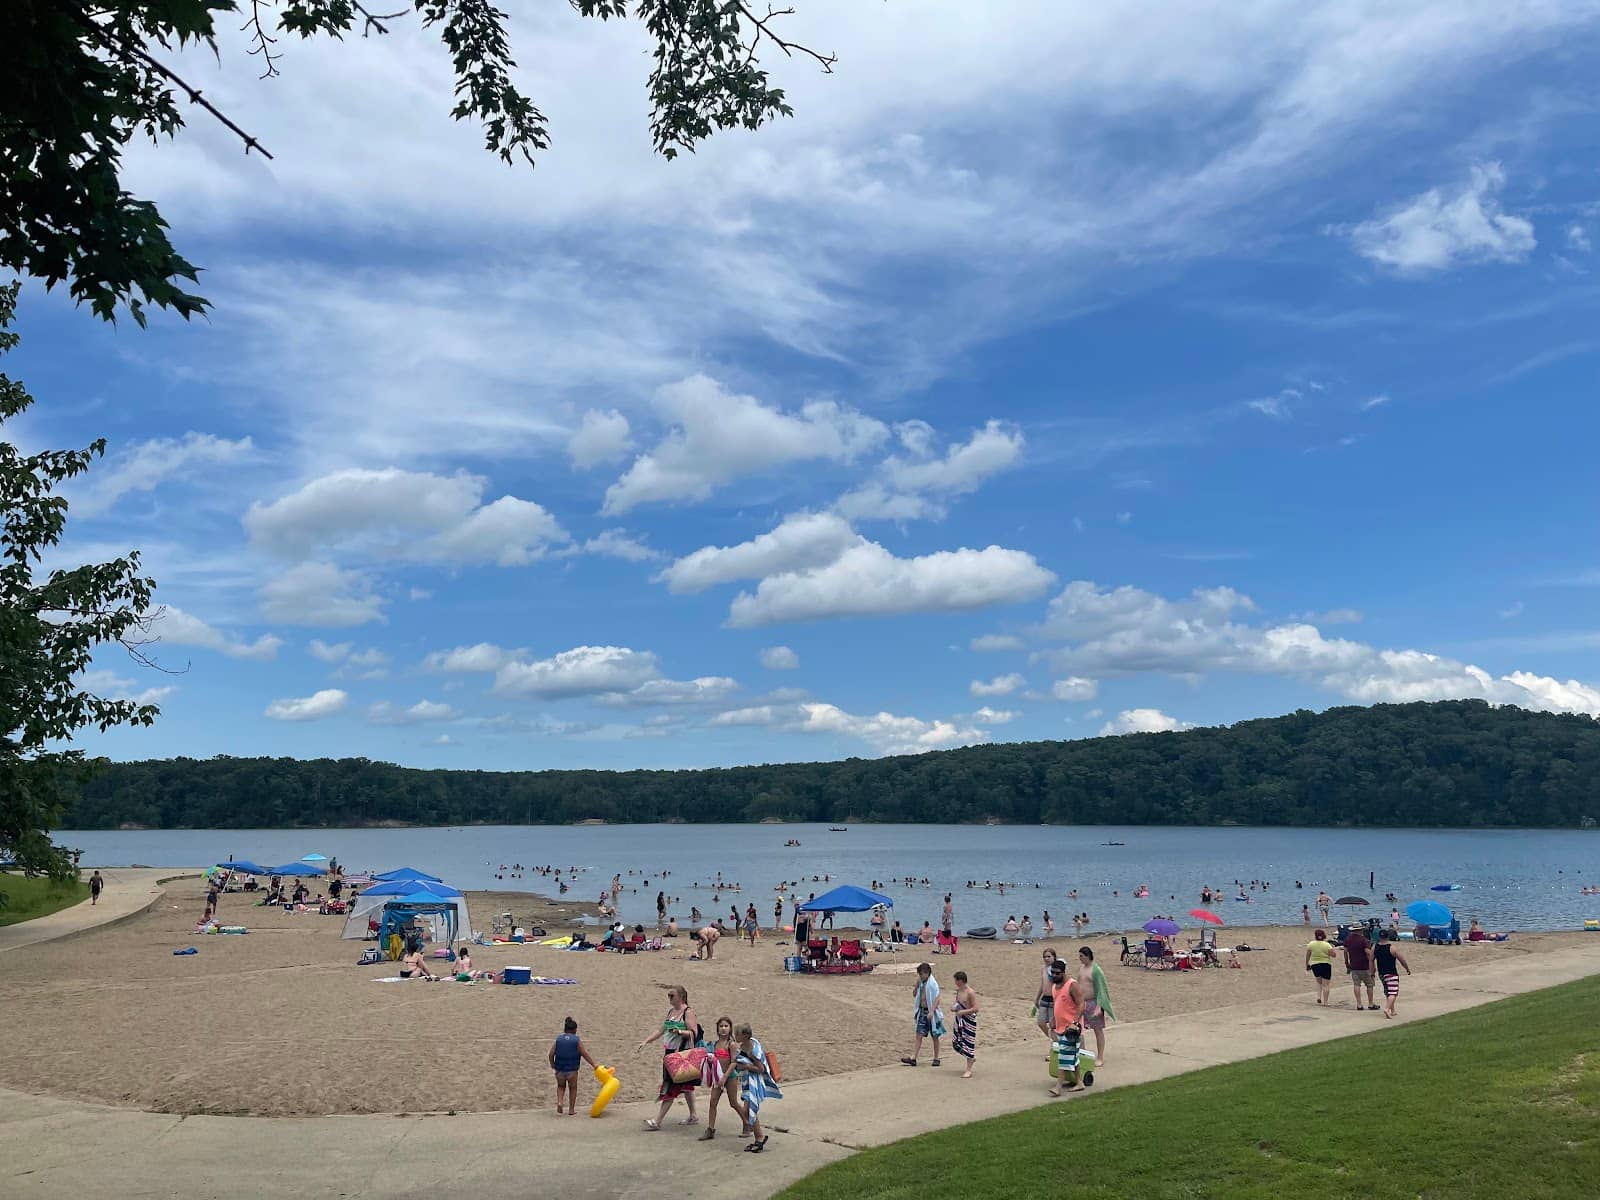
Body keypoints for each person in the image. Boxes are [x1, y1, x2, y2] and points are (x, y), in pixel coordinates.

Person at [637, 984, 700, 1129]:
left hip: (680, 1054)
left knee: (670, 1086)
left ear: (681, 997)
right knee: (686, 1085)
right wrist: (646, 1041)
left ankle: (657, 1121)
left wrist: (680, 1032)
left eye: (672, 995)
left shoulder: (688, 1012)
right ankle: (693, 1115)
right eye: (668, 995)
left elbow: (693, 1033)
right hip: (669, 1053)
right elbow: (661, 1030)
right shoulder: (671, 1011)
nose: (669, 998)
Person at [697, 1017, 749, 1141]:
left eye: (726, 1026)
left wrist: (725, 1077)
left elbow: (734, 1062)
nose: (723, 1029)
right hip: (718, 1077)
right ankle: (710, 1129)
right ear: (717, 1029)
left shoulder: (731, 1044)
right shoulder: (715, 1044)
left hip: (730, 1077)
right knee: (713, 1102)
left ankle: (747, 1123)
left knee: (733, 1103)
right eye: (721, 1026)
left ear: (730, 1029)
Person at [733, 1023, 780, 1153]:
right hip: (747, 1082)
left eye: (738, 1034)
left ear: (745, 1035)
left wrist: (746, 1066)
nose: (735, 1036)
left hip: (754, 1082)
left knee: (748, 1110)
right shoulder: (743, 1046)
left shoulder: (753, 1050)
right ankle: (758, 1137)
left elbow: (761, 1069)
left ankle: (759, 1137)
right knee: (748, 1110)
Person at [1049, 958, 1085, 1096]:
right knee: (1072, 1056)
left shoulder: (1072, 985)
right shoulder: (1054, 986)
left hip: (1071, 1029)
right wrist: (1053, 1019)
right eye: (1052, 972)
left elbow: (1081, 1003)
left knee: (1063, 1056)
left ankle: (1058, 1087)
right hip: (1060, 1026)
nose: (1054, 975)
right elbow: (1057, 1004)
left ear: (1063, 973)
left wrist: (1075, 1022)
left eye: (1057, 973)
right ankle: (1079, 1082)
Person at [549, 1016, 598, 1115]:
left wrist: (553, 1064)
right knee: (573, 1088)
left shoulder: (559, 1039)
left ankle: (560, 1102)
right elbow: (584, 1054)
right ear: (575, 1030)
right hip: (572, 1070)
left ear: (564, 1029)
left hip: (560, 1069)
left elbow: (551, 1054)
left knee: (560, 1086)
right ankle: (571, 1110)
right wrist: (594, 1064)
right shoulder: (576, 1040)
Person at [900, 962, 944, 1067]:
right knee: (918, 1035)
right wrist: (916, 986)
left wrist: (932, 1011)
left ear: (927, 973)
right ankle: (913, 1058)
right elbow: (914, 994)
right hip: (922, 1011)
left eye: (921, 974)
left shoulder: (932, 984)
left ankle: (936, 1058)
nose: (920, 976)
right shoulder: (920, 982)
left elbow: (937, 998)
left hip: (931, 1013)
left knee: (935, 1035)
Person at [1077, 945, 1114, 1067]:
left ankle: (1100, 1057)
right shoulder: (1081, 968)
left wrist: (1099, 1006)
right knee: (1079, 1029)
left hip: (1093, 1002)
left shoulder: (1096, 970)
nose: (1080, 958)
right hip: (1082, 1002)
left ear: (1088, 956)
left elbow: (1101, 989)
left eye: (1081, 956)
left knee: (1098, 1030)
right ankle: (1082, 1053)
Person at [1373, 930, 1412, 1018]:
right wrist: (1407, 968)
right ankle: (1387, 1009)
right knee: (1393, 992)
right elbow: (1402, 960)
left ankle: (1392, 1010)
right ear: (1388, 937)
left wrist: (1372, 971)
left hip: (1381, 973)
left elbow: (1371, 960)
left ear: (1379, 937)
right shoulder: (1392, 948)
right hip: (1391, 972)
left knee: (1388, 991)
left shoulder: (1375, 947)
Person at [951, 970, 979, 1078]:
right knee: (956, 1042)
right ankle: (970, 1058)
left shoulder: (970, 992)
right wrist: (954, 1007)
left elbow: (976, 1008)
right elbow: (958, 1002)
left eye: (956, 981)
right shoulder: (959, 991)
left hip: (969, 1020)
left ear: (961, 981)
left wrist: (963, 1012)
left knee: (968, 1044)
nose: (955, 983)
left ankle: (969, 1069)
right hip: (959, 1020)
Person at [1343, 926, 1378, 1010]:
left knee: (1356, 984)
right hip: (1364, 965)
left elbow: (1345, 952)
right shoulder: (1363, 940)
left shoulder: (1348, 939)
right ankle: (1370, 1003)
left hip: (1354, 965)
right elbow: (1368, 953)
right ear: (1360, 930)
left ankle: (1359, 1004)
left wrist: (1346, 963)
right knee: (1369, 985)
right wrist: (1373, 962)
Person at [1305, 928, 1335, 1005]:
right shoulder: (1327, 945)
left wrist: (1307, 964)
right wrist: (1332, 949)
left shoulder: (1311, 944)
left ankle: (1318, 997)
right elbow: (1333, 955)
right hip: (1326, 964)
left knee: (1318, 982)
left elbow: (1308, 955)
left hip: (1315, 964)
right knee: (1326, 984)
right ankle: (1325, 1002)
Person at [1035, 949, 1059, 1043]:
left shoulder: (1056, 970)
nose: (1046, 959)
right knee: (1041, 1022)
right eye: (1045, 957)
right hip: (1044, 998)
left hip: (1054, 999)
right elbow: (1042, 985)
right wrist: (1037, 998)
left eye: (1049, 956)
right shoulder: (1043, 969)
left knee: (1053, 1024)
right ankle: (1053, 1040)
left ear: (1054, 957)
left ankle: (1056, 1042)